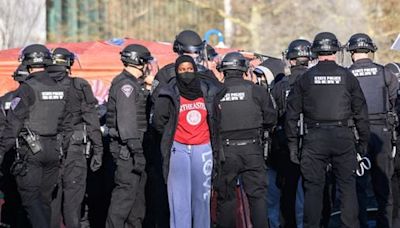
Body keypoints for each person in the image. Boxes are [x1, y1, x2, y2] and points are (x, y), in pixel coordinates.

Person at [285, 32, 369, 228]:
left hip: (314, 138)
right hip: (343, 137)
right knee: (347, 188)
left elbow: (291, 115)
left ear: (315, 51)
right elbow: (361, 112)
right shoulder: (347, 77)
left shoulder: (305, 79)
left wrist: (292, 146)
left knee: (313, 189)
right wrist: (363, 142)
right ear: (336, 50)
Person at [153, 55, 225, 228]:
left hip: (203, 149)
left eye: (189, 69)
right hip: (178, 149)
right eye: (182, 70)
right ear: (176, 72)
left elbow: (216, 119)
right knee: (179, 200)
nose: (186, 73)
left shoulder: (206, 92)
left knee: (202, 198)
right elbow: (159, 122)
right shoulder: (169, 92)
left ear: (195, 70)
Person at [0, 44, 67, 228]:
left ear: (28, 64)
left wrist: (1, 150)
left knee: (30, 198)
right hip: (55, 149)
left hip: (31, 150)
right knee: (44, 200)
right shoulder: (61, 87)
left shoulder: (26, 88)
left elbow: (13, 123)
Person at [215, 52, 277, 228]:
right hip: (252, 149)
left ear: (223, 70)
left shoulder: (216, 92)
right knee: (257, 198)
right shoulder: (256, 90)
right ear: (243, 69)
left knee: (226, 199)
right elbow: (271, 118)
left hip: (225, 152)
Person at [346, 33, 398, 228]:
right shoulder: (386, 73)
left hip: (355, 134)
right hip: (382, 134)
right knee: (384, 187)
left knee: (357, 187)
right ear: (371, 51)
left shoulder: (346, 74)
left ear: (352, 52)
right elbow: (395, 104)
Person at [48, 47, 103, 228]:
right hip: (74, 151)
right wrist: (98, 150)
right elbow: (92, 121)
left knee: (51, 204)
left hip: (46, 151)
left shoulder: (37, 86)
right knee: (73, 205)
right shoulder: (79, 85)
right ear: (69, 63)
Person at [105, 44, 153, 228]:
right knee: (123, 200)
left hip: (133, 149)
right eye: (146, 62)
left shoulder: (133, 84)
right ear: (139, 62)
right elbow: (126, 123)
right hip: (128, 151)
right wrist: (136, 151)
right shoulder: (127, 85)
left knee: (136, 205)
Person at [271, 39, 312, 228]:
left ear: (291, 60)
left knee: (289, 190)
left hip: (288, 144)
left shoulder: (280, 86)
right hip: (314, 142)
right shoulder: (315, 80)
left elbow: (275, 115)